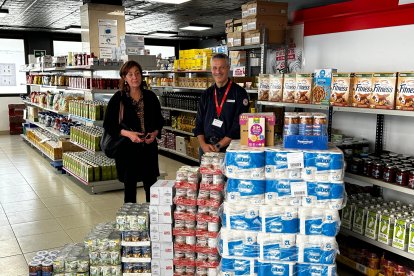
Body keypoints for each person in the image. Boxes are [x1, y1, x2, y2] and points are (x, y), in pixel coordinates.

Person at [103, 60, 163, 203]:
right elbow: (109, 124)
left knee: (151, 187)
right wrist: (129, 134)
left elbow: (159, 121)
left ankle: (152, 218)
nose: (134, 77)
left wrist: (154, 134)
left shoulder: (150, 97)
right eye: (130, 74)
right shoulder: (119, 98)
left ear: (141, 76)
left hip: (148, 149)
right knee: (130, 189)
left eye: (137, 73)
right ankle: (130, 222)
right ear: (124, 78)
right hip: (127, 151)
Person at [194, 53, 249, 155]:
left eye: (222, 67)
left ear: (228, 68)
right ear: (211, 70)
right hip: (207, 148)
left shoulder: (239, 93)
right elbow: (198, 123)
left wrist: (219, 145)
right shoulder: (206, 94)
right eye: (214, 68)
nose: (218, 71)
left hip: (230, 149)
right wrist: (203, 145)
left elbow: (239, 125)